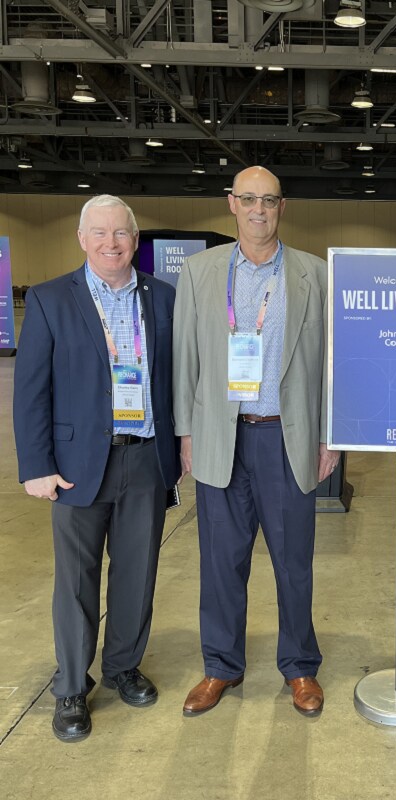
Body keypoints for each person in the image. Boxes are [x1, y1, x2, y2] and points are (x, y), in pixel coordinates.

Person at [174, 166, 339, 718]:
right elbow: (185, 359)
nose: (259, 210)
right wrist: (186, 434)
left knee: (294, 563)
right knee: (221, 562)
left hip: (287, 438)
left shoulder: (315, 274)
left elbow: (331, 365)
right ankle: (221, 666)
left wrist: (331, 438)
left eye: (269, 200)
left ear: (282, 207)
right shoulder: (200, 272)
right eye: (249, 199)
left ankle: (300, 666)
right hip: (221, 439)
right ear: (232, 204)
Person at [13, 195, 179, 742]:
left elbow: (176, 379)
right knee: (75, 581)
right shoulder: (50, 299)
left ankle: (122, 666)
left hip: (146, 456)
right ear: (82, 239)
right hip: (76, 465)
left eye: (121, 233)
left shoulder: (163, 297)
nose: (112, 243)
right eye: (100, 233)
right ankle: (70, 687)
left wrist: (179, 449)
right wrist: (36, 465)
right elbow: (31, 390)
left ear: (136, 240)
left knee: (137, 572)